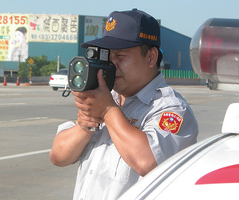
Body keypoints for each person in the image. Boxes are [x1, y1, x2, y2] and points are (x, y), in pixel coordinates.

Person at [50, 9, 198, 200]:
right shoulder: (107, 98)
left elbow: (148, 161)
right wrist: (86, 124)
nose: (112, 65)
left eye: (120, 57)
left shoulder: (171, 109)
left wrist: (107, 111)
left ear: (151, 57)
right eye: (108, 57)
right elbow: (58, 156)